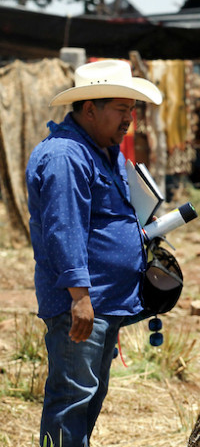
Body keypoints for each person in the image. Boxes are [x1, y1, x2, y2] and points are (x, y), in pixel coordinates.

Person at [26, 60, 163, 446]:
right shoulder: (66, 156)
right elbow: (63, 228)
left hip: (103, 300)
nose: (129, 120)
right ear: (90, 109)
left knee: (88, 398)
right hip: (83, 303)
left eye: (132, 111)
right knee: (72, 401)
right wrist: (80, 297)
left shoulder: (103, 150)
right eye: (122, 110)